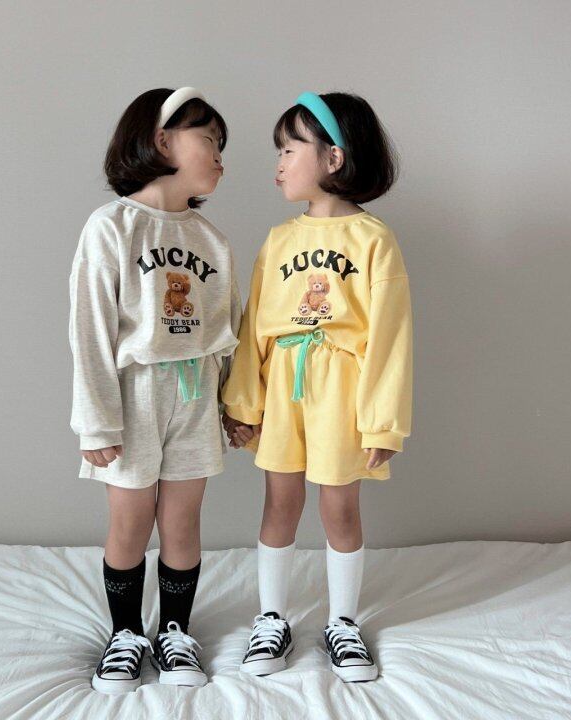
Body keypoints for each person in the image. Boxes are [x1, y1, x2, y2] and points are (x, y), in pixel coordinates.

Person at [221, 91, 413, 683]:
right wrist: (244, 401)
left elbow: (390, 336)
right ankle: (270, 618)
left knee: (340, 506)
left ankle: (343, 623)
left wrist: (382, 421)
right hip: (284, 383)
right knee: (279, 501)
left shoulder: (373, 239)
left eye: (289, 149)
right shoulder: (279, 240)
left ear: (333, 157)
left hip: (342, 387)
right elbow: (255, 326)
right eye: (278, 151)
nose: (278, 163)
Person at [68, 87, 241, 693]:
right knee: (130, 521)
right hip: (133, 393)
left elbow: (227, 331)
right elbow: (89, 329)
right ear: (162, 140)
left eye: (221, 144)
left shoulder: (212, 239)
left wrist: (233, 405)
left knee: (183, 521)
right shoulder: (111, 226)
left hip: (195, 393)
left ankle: (174, 633)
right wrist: (96, 421)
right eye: (209, 139)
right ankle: (124, 635)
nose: (220, 155)